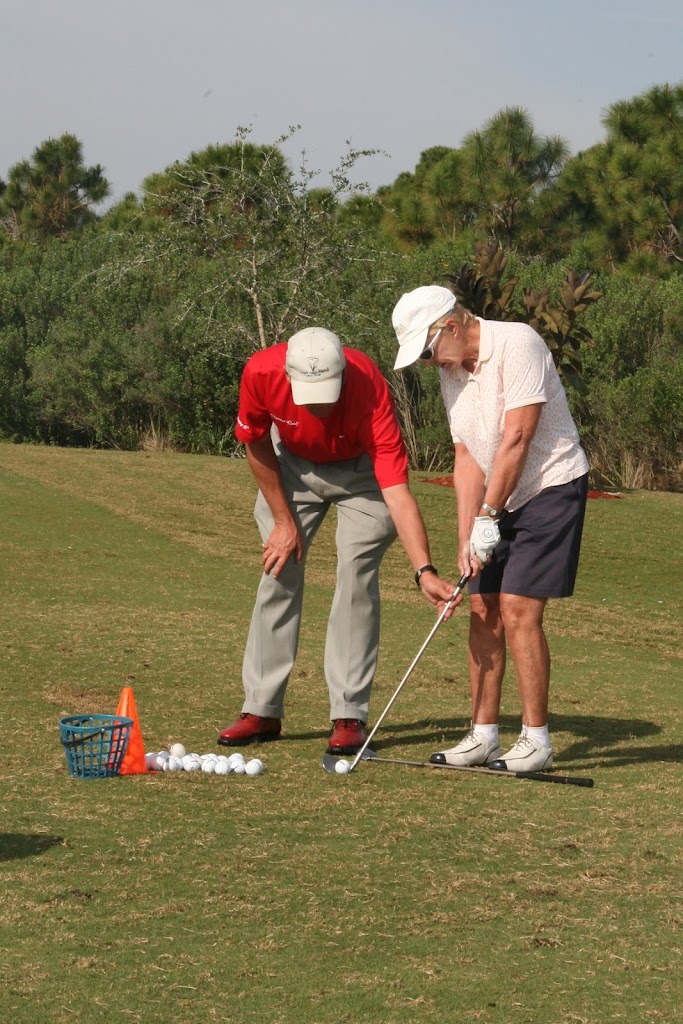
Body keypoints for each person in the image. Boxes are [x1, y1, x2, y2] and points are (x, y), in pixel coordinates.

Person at [218, 326, 457, 756]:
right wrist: (282, 520)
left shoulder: (368, 387)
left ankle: (349, 714)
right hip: (290, 467)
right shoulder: (260, 372)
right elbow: (255, 442)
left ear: (344, 373)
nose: (319, 406)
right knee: (279, 572)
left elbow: (396, 490)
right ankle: (262, 709)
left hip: (362, 477)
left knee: (355, 577)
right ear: (289, 376)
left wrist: (424, 570)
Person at [391, 286, 589, 772]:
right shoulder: (453, 373)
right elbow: (468, 458)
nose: (427, 362)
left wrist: (487, 517)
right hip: (495, 499)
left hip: (549, 485)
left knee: (519, 609)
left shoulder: (519, 342)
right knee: (482, 605)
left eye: (427, 350)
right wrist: (466, 538)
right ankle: (482, 736)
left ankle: (536, 740)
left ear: (451, 327)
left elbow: (518, 437)